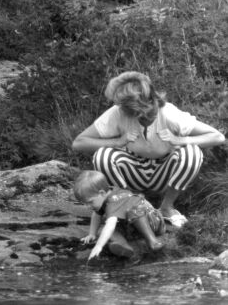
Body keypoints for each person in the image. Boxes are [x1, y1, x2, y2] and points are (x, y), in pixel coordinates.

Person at [72, 71, 225, 227]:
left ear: (135, 105)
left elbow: (217, 136)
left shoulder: (168, 113)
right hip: (133, 171)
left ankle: (166, 207)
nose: (117, 107)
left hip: (163, 173)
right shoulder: (116, 113)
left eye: (121, 104)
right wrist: (117, 142)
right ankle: (129, 204)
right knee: (102, 156)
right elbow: (79, 142)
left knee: (192, 153)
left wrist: (180, 140)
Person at [74, 170, 165, 259]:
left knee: (133, 210)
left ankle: (153, 242)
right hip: (132, 225)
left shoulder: (113, 201)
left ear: (101, 193)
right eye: (84, 203)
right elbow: (96, 214)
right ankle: (125, 247)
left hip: (153, 221)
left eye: (90, 202)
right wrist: (92, 234)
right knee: (102, 230)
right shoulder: (103, 198)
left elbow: (110, 225)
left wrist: (98, 246)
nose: (87, 207)